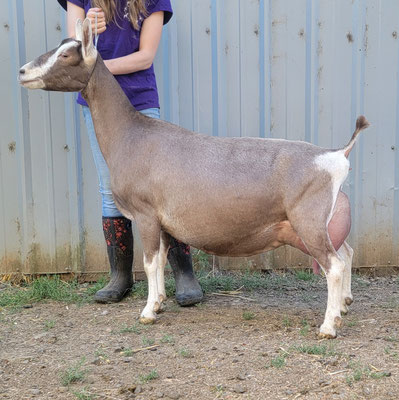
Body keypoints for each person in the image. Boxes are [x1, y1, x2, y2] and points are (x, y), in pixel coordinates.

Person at [57, 0, 203, 306]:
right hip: (97, 105)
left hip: (139, 98)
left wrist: (94, 68)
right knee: (111, 188)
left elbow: (145, 57)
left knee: (164, 189)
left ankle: (184, 274)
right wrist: (85, 32)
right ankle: (121, 276)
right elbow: (73, 49)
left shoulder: (152, 2)